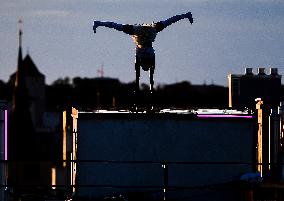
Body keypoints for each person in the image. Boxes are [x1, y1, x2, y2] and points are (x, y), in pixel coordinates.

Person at [93, 12, 193, 95]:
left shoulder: (145, 57)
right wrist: (149, 88)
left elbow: (145, 76)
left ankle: (186, 15)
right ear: (144, 65)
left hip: (147, 33)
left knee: (168, 22)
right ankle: (98, 23)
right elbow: (142, 76)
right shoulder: (142, 57)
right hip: (143, 33)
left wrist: (148, 88)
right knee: (117, 26)